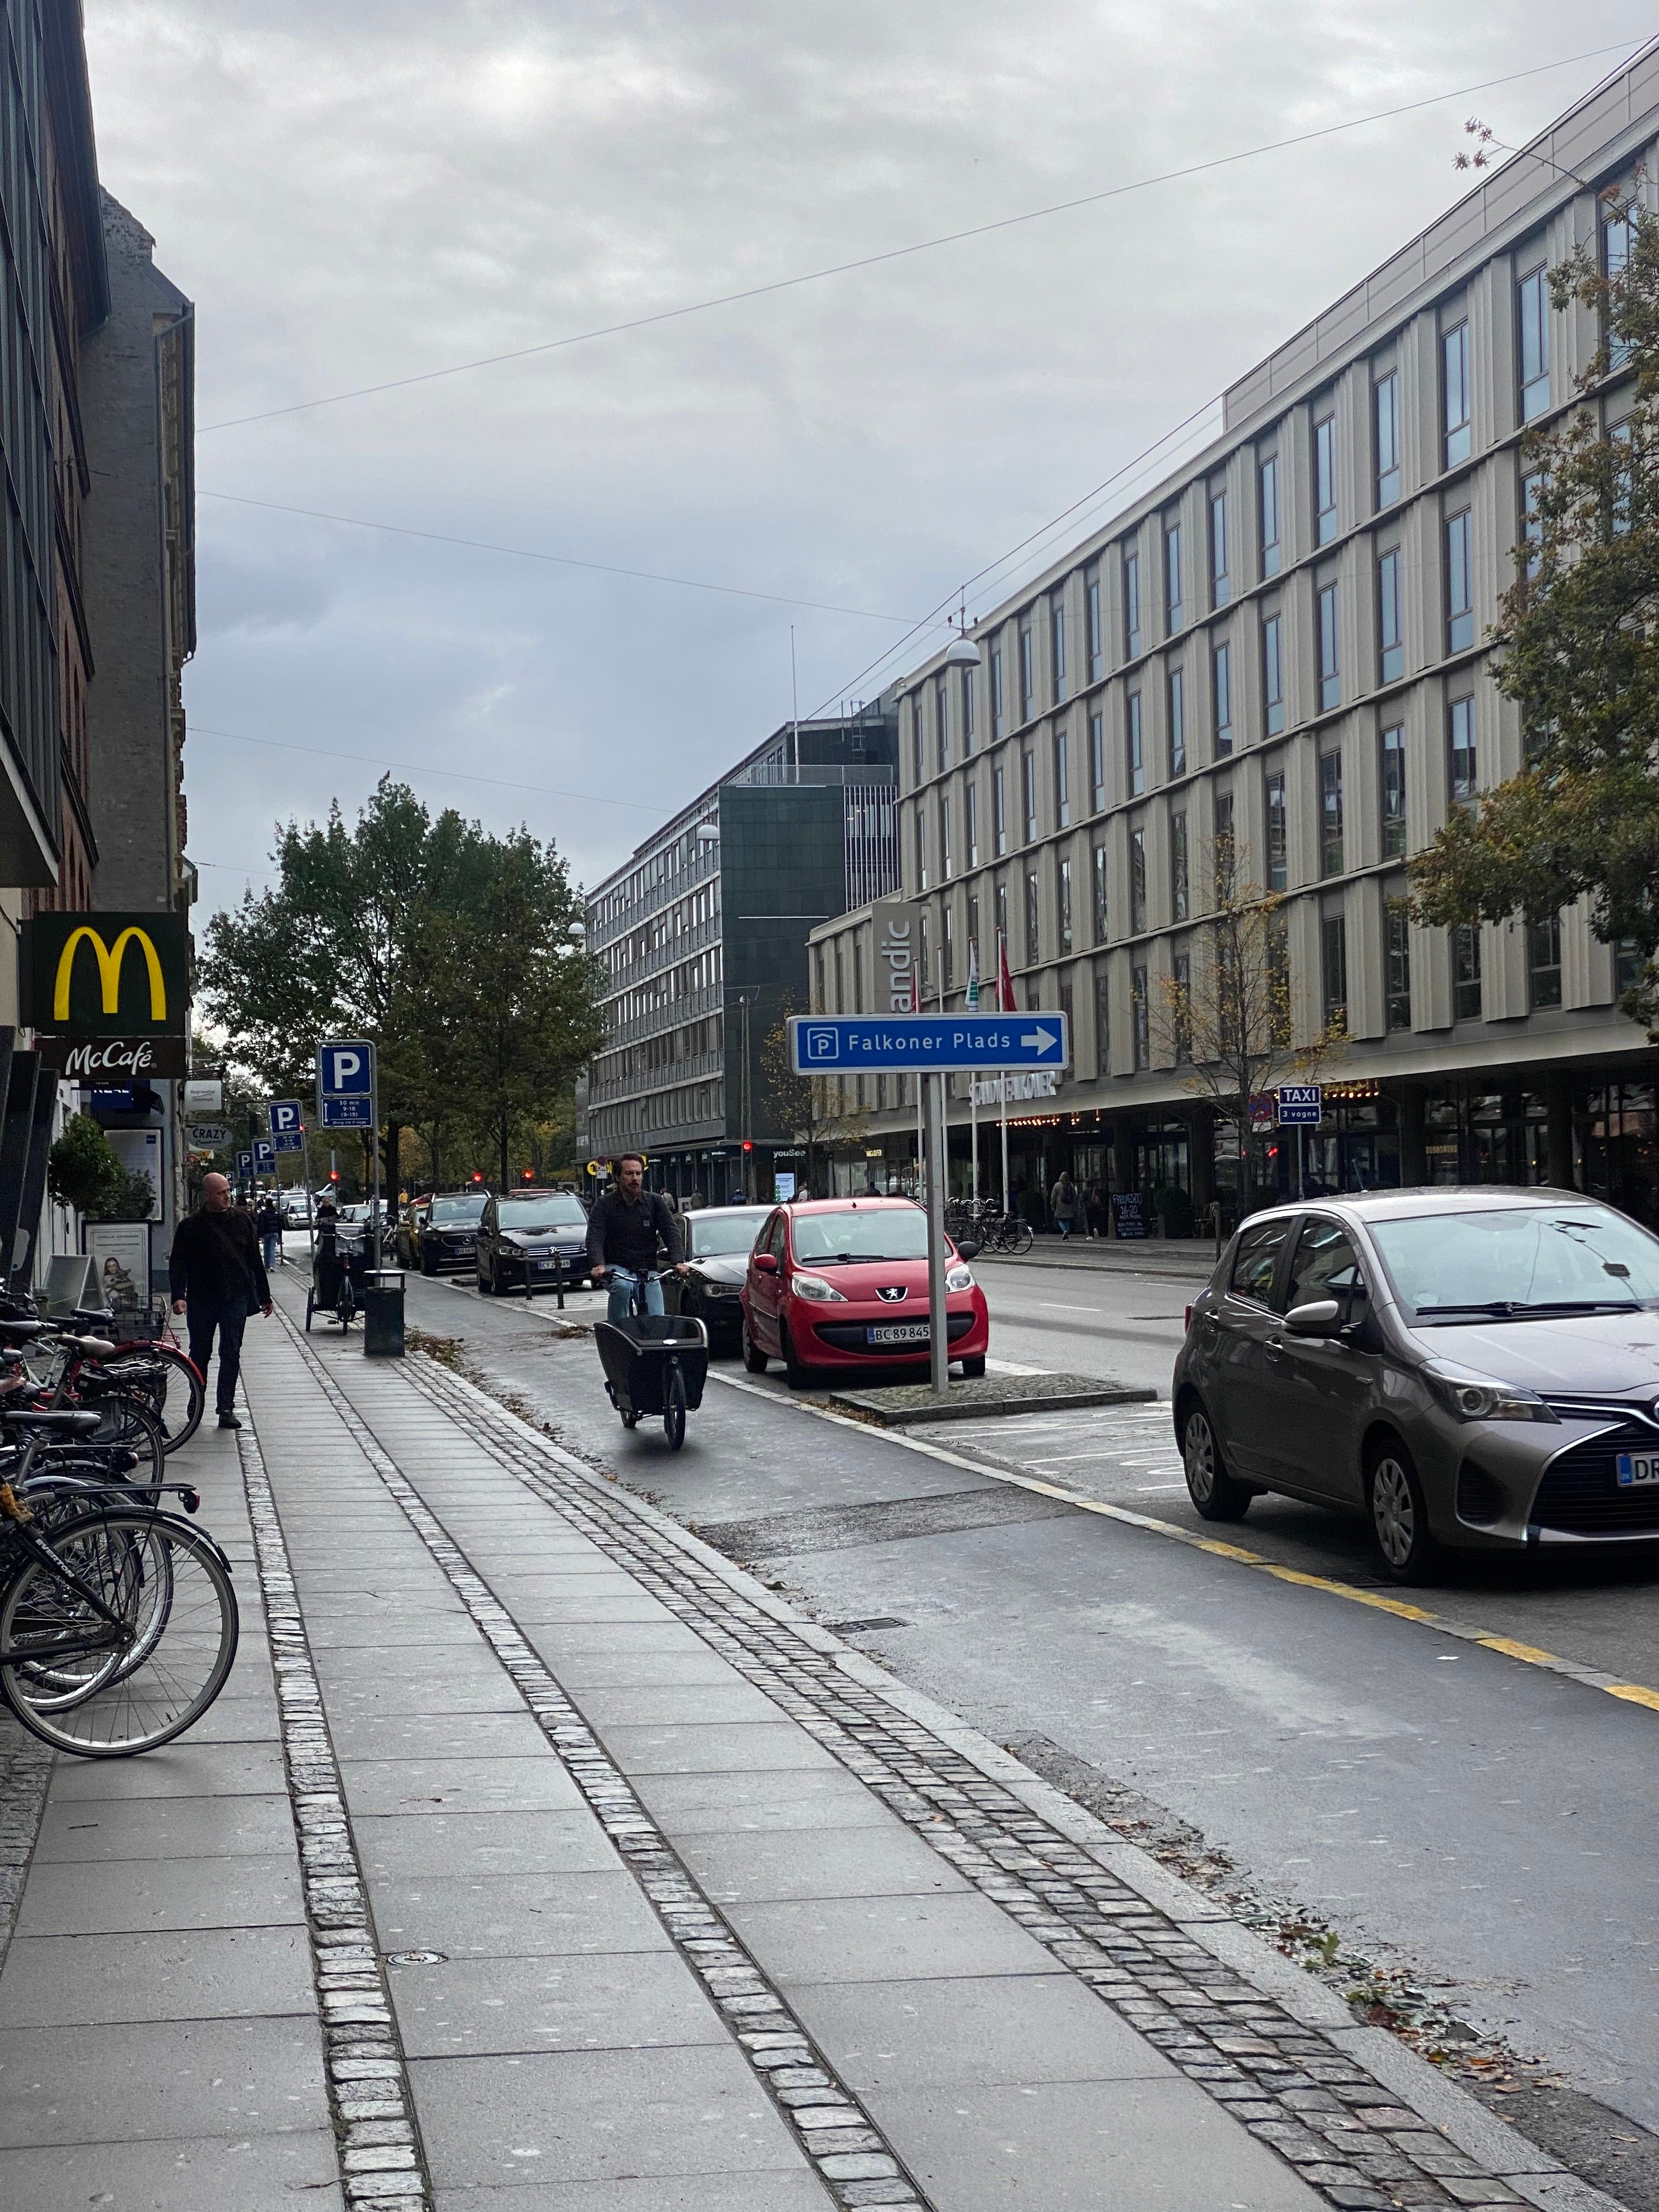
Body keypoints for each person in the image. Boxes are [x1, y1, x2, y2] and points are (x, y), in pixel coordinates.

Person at [169, 1172, 273, 1430]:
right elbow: (178, 1263)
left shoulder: (242, 1221)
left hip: (235, 1297)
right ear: (207, 1196)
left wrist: (265, 1296)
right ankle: (196, 1399)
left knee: (231, 1352)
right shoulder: (190, 1226)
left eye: (228, 1191)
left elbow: (254, 1259)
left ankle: (226, 1408)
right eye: (221, 1193)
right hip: (202, 1299)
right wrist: (178, 1296)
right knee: (200, 1352)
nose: (227, 1196)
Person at [586, 1153, 685, 1324]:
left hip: (647, 1269)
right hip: (616, 1268)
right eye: (629, 1174)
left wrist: (678, 1261)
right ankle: (617, 1330)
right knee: (622, 1288)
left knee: (657, 1319)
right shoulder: (604, 1205)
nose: (635, 1178)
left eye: (638, 1174)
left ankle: (653, 1337)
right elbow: (595, 1237)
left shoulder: (655, 1202)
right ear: (618, 1177)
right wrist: (599, 1265)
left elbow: (671, 1232)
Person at [1049, 1170, 1080, 1241]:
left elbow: (1053, 1197)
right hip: (1069, 1206)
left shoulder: (1057, 1185)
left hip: (1060, 1206)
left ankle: (1064, 1230)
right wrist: (1074, 1206)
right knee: (1067, 1221)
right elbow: (1074, 1196)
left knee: (1060, 1220)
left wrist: (1053, 1205)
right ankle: (1067, 1232)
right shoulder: (1071, 1185)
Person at [256, 1194, 282, 1272]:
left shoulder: (263, 1213)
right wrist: (279, 1234)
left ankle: (267, 1265)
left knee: (266, 1248)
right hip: (274, 1233)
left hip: (266, 1233)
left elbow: (261, 1224)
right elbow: (279, 1224)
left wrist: (260, 1235)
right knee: (272, 1248)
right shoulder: (276, 1213)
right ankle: (271, 1265)